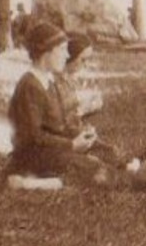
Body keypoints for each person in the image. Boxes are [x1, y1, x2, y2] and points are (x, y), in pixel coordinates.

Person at [7, 20, 105, 185]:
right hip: (32, 155)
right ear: (46, 53)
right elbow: (33, 136)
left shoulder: (48, 81)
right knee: (94, 168)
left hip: (51, 148)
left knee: (103, 152)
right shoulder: (30, 85)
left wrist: (80, 134)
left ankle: (47, 180)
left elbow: (57, 124)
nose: (67, 55)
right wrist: (71, 144)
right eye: (62, 50)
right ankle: (30, 182)